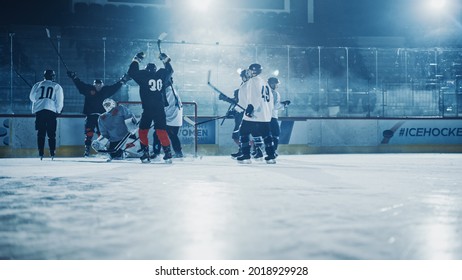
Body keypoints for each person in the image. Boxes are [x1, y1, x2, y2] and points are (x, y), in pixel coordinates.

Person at [67, 70, 130, 157]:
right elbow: (80, 85)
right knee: (89, 132)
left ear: (102, 85)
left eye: (99, 84)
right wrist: (74, 78)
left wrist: (122, 81)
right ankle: (87, 150)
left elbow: (114, 87)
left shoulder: (105, 90)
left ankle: (104, 149)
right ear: (94, 85)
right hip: (91, 115)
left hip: (103, 117)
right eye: (96, 84)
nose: (98, 86)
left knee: (103, 134)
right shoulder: (88, 89)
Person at [127, 51, 174, 163]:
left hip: (148, 108)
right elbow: (170, 70)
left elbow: (131, 72)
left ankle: (145, 152)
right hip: (159, 108)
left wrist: (136, 59)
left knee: (142, 131)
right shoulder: (161, 74)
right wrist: (165, 60)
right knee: (161, 131)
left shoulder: (143, 76)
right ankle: (168, 153)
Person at [236, 63, 276, 164]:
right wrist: (268, 113)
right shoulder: (264, 82)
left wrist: (251, 107)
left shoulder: (252, 81)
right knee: (267, 136)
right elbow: (271, 99)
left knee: (243, 132)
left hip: (254, 115)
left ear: (252, 71)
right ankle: (271, 156)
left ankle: (246, 156)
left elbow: (254, 96)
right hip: (265, 115)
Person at [29, 69, 64, 160]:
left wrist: (40, 99)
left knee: (41, 133)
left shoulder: (37, 85)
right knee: (51, 133)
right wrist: (58, 111)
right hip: (51, 111)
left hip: (40, 111)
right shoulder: (56, 86)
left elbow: (32, 98)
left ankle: (41, 153)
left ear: (44, 76)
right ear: (53, 76)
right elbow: (59, 101)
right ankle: (52, 152)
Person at [151, 73, 184, 160]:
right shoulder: (172, 90)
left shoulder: (167, 91)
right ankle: (178, 152)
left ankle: (156, 153)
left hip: (170, 117)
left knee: (157, 134)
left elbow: (163, 105)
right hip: (175, 117)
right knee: (173, 135)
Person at [218, 69, 248, 159]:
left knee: (239, 135)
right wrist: (233, 112)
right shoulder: (243, 86)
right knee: (237, 136)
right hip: (239, 115)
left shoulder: (248, 86)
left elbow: (239, 102)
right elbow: (237, 102)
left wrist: (225, 99)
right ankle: (242, 150)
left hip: (243, 115)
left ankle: (252, 149)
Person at [267, 77, 291, 157]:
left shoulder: (264, 91)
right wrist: (284, 105)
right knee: (276, 133)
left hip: (264, 116)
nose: (277, 86)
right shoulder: (274, 93)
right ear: (272, 84)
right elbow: (275, 106)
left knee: (265, 134)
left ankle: (260, 150)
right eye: (276, 84)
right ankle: (272, 151)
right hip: (272, 116)